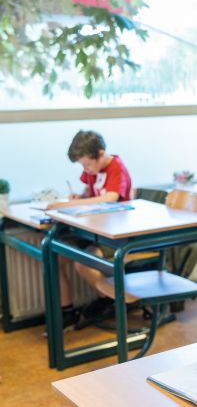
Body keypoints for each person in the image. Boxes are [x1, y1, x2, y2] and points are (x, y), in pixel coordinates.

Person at [48, 130, 132, 329]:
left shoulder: (116, 167)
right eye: (82, 165)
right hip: (95, 231)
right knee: (55, 256)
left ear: (101, 154)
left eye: (87, 164)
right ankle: (67, 311)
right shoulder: (93, 170)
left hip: (117, 237)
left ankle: (110, 301)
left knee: (82, 264)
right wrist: (79, 197)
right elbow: (91, 192)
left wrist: (69, 206)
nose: (85, 169)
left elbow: (110, 197)